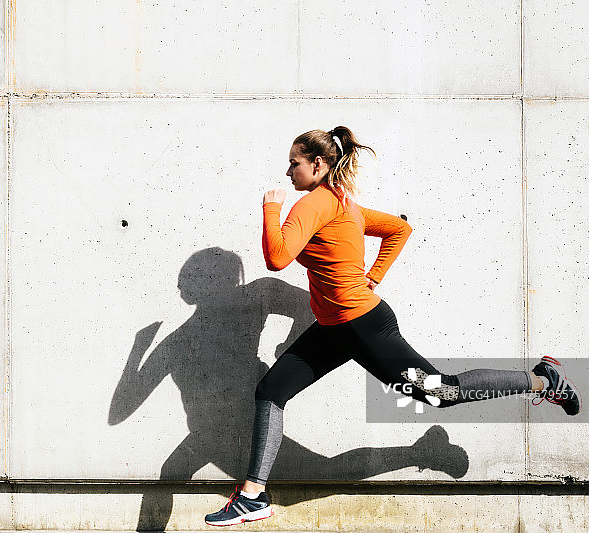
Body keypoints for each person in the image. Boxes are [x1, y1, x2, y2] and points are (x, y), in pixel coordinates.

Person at [204, 127, 582, 527]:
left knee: (442, 392)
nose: (287, 172)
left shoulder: (313, 204)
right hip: (336, 328)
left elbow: (277, 259)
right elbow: (398, 229)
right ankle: (252, 496)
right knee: (271, 391)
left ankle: (542, 379)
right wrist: (372, 277)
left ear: (317, 164)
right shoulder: (343, 204)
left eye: (294, 163)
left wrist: (271, 209)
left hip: (364, 328)